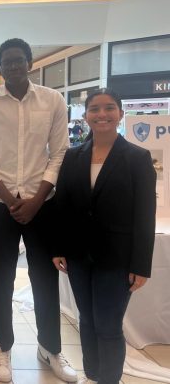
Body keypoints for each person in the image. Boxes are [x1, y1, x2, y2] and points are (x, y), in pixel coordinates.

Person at [0, 38, 76, 383]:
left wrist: (35, 199)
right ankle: (2, 346)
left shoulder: (52, 100)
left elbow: (60, 153)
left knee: (44, 278)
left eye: (19, 60)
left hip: (42, 203)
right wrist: (11, 199)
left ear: (30, 63)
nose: (13, 66)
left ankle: (50, 347)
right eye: (7, 62)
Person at [53, 89, 156, 384]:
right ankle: (93, 374)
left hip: (117, 257)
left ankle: (109, 379)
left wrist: (141, 265)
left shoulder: (137, 158)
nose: (102, 114)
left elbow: (144, 214)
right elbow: (63, 205)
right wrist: (58, 247)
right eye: (95, 109)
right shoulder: (73, 156)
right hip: (78, 254)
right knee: (86, 320)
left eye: (109, 108)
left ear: (120, 114)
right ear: (85, 116)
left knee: (108, 325)